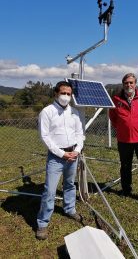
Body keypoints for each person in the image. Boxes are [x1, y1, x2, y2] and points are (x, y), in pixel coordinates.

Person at [36, 81, 84, 240]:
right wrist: (62, 154)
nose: (66, 96)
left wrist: (76, 151)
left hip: (73, 155)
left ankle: (69, 209)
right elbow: (45, 137)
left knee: (70, 184)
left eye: (69, 94)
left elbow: (80, 134)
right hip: (56, 157)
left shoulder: (75, 113)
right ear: (56, 94)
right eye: (63, 93)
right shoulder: (47, 112)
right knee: (50, 190)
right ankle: (42, 223)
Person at [109, 73, 138, 206]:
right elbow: (113, 117)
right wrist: (123, 127)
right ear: (123, 85)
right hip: (124, 140)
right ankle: (126, 190)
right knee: (125, 166)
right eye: (126, 83)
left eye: (131, 82)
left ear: (135, 84)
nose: (128, 85)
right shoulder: (116, 99)